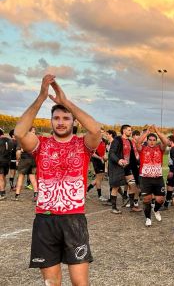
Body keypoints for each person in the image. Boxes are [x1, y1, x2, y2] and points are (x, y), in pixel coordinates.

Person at [14, 74, 101, 286]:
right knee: (51, 284)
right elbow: (19, 132)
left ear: (73, 122)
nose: (60, 122)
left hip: (74, 220)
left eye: (66, 118)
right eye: (56, 118)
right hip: (45, 220)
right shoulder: (41, 144)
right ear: (51, 121)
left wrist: (66, 102)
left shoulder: (83, 145)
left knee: (80, 283)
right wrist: (41, 97)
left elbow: (96, 130)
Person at [136, 125, 169, 226]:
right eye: (150, 140)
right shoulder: (142, 149)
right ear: (147, 140)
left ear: (156, 141)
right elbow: (138, 142)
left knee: (160, 199)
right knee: (147, 199)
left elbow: (166, 142)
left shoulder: (160, 148)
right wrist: (147, 132)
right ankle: (148, 218)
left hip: (158, 178)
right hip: (145, 178)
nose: (152, 141)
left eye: (154, 140)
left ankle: (156, 210)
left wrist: (157, 131)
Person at [108, 125, 141, 214]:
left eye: (131, 130)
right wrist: (118, 160)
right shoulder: (117, 140)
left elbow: (132, 156)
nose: (131, 132)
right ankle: (114, 208)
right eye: (129, 130)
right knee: (116, 187)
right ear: (124, 130)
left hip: (128, 167)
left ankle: (132, 206)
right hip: (118, 167)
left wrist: (139, 163)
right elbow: (111, 153)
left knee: (132, 185)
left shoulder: (129, 141)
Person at [13, 126, 38, 201]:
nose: (34, 133)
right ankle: (36, 194)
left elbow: (18, 152)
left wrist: (17, 160)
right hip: (33, 160)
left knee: (20, 177)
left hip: (24, 160)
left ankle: (17, 195)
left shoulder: (22, 139)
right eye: (33, 131)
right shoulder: (36, 140)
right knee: (32, 178)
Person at [87, 128, 108, 202]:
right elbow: (92, 153)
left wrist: (105, 157)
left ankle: (86, 190)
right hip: (96, 161)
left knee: (99, 178)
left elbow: (105, 151)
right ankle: (100, 196)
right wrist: (100, 158)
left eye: (103, 132)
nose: (101, 133)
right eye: (100, 132)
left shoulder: (105, 141)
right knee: (99, 178)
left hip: (102, 160)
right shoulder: (95, 141)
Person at [163, 135, 174, 209]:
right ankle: (172, 201)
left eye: (167, 140)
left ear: (171, 140)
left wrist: (172, 171)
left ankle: (166, 204)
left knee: (170, 186)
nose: (166, 142)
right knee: (173, 186)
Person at [0, 128, 12, 200]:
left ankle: (2, 193)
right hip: (7, 161)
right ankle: (3, 191)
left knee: (1, 177)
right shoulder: (9, 140)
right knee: (3, 176)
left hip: (0, 161)